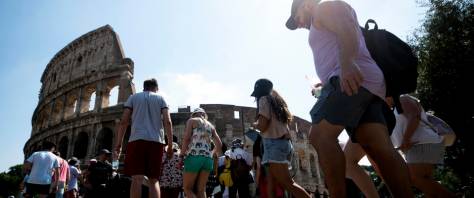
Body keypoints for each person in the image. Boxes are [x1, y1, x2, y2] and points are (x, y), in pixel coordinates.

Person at [285, 0, 413, 197]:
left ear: (306, 5)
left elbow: (346, 29)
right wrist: (328, 82)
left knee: (320, 136)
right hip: (362, 81)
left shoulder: (323, 8)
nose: (299, 24)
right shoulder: (322, 15)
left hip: (352, 80)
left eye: (297, 18)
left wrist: (347, 64)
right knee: (377, 148)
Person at [114, 78, 174, 198]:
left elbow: (124, 121)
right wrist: (170, 146)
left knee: (136, 179)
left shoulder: (133, 98)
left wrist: (118, 144)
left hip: (136, 140)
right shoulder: (161, 99)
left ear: (144, 87)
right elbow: (167, 121)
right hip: (156, 141)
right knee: (154, 180)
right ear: (156, 88)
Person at [251, 78, 310, 198]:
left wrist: (255, 125)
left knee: (288, 183)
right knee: (271, 185)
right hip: (283, 144)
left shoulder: (264, 99)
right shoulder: (277, 102)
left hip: (273, 144)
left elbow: (262, 125)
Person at [390, 95, 455, 197]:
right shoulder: (392, 108)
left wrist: (405, 140)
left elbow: (415, 116)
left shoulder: (402, 98)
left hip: (420, 143)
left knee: (416, 178)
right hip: (418, 145)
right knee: (425, 182)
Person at [180, 107, 223, 198]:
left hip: (194, 156)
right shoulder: (211, 126)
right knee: (201, 189)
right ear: (204, 115)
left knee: (187, 189)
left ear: (194, 114)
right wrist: (212, 153)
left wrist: (182, 154)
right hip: (207, 159)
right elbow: (219, 144)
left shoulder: (192, 121)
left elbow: (187, 138)